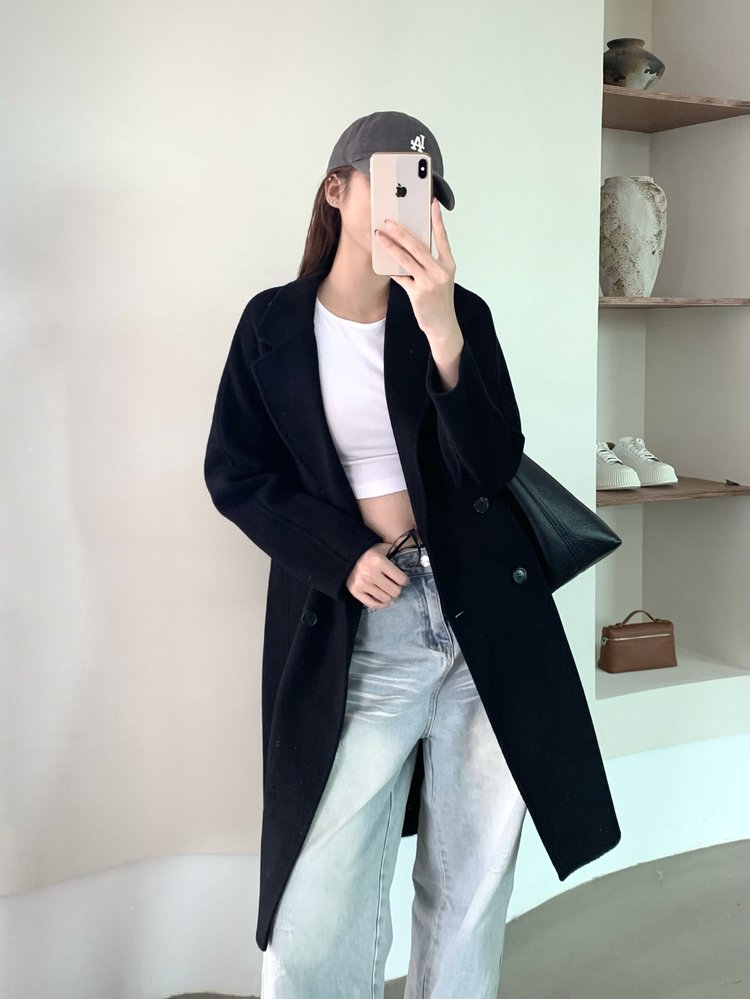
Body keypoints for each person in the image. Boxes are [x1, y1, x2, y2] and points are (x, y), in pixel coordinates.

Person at [204, 110, 621, 998]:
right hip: (367, 618)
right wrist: (342, 554)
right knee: (318, 894)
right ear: (338, 189)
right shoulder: (273, 324)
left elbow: (493, 462)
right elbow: (236, 472)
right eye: (395, 180)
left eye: (426, 188)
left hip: (485, 617)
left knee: (470, 881)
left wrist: (442, 331)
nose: (411, 202)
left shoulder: (457, 314)